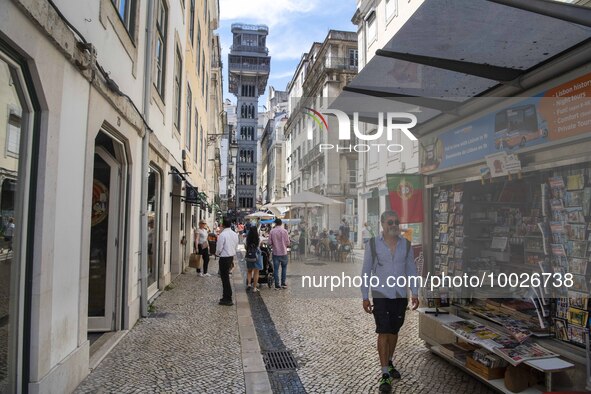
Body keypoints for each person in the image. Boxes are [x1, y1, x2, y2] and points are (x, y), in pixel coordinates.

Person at [361, 210, 419, 393]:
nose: (394, 226)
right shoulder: (372, 244)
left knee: (394, 330)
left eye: (396, 222)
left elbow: (411, 270)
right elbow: (365, 271)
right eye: (390, 222)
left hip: (400, 294)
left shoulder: (406, 245)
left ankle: (390, 361)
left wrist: (415, 293)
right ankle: (384, 373)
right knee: (384, 331)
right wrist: (364, 296)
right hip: (381, 293)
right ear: (382, 224)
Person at [216, 218, 239, 306]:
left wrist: (217, 253)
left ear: (223, 225)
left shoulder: (223, 235)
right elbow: (236, 246)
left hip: (224, 257)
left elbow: (219, 248)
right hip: (230, 257)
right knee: (226, 277)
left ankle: (227, 298)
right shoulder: (234, 234)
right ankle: (226, 296)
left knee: (224, 278)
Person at [268, 218, 290, 289]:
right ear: (281, 223)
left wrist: (274, 244)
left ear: (275, 223)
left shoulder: (272, 231)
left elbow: (269, 243)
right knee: (284, 268)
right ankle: (283, 283)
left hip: (276, 253)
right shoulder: (285, 231)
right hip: (284, 252)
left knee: (276, 269)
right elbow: (288, 242)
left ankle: (277, 285)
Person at [245, 226, 263, 292]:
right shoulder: (258, 238)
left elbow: (245, 246)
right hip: (257, 256)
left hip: (249, 256)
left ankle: (249, 284)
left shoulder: (247, 239)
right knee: (256, 272)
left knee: (249, 271)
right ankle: (254, 287)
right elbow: (260, 246)